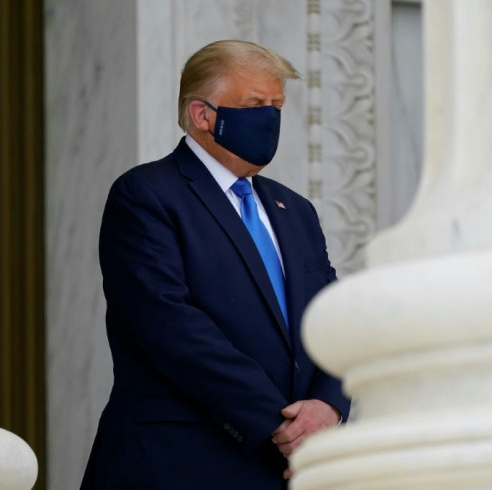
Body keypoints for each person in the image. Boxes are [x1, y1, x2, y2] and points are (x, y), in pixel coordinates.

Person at [81, 39, 350, 489]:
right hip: (179, 464)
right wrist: (279, 424)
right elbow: (170, 326)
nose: (269, 118)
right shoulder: (146, 195)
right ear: (202, 115)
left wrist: (328, 407)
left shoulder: (295, 210)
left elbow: (334, 317)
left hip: (287, 471)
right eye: (254, 104)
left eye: (276, 105)